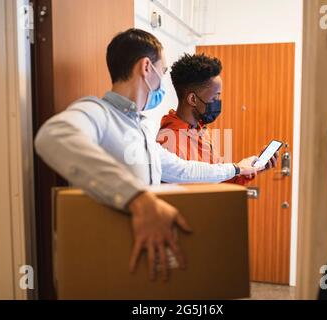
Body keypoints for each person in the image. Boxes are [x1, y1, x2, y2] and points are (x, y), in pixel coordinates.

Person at [35, 29, 263, 282]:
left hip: (141, 257)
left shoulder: (140, 128)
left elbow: (182, 169)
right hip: (106, 261)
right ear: (146, 68)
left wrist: (235, 169)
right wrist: (138, 197)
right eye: (162, 71)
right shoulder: (97, 112)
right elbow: (53, 136)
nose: (163, 81)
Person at [157, 53, 278, 184]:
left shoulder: (201, 131)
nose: (218, 102)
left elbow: (218, 180)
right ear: (192, 99)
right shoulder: (169, 142)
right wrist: (238, 168)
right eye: (215, 97)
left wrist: (251, 169)